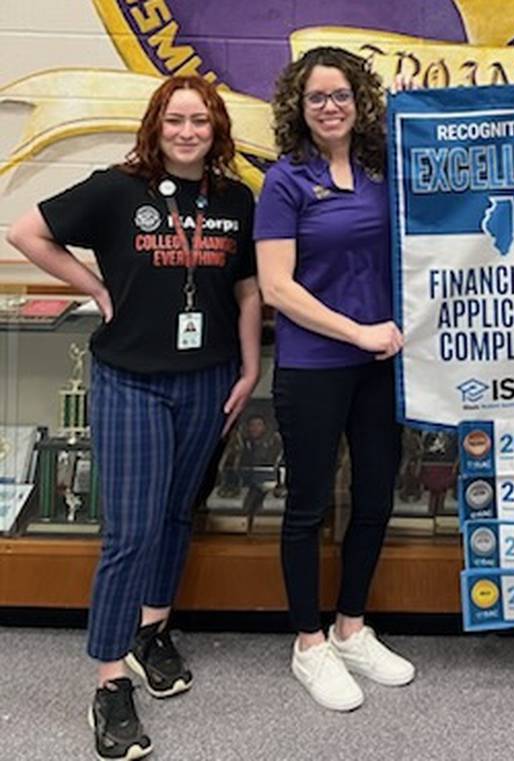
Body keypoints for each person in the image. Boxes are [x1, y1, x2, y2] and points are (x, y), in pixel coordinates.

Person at [7, 75, 262, 759]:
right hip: (131, 381)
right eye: (175, 119)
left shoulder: (234, 197)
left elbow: (244, 285)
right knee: (132, 530)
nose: (187, 132)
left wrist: (248, 365)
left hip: (206, 380)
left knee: (178, 514)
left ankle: (153, 629)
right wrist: (94, 285)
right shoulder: (116, 188)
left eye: (200, 121)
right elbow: (25, 230)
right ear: (156, 125)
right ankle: (110, 678)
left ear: (216, 130)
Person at [255, 46, 414, 712]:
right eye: (317, 96)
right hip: (316, 366)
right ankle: (309, 643)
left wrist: (414, 105)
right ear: (299, 104)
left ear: (360, 101)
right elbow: (276, 286)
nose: (329, 107)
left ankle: (351, 626)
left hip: (379, 368)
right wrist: (357, 331)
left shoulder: (381, 168)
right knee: (309, 507)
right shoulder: (286, 180)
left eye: (341, 95)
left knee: (375, 496)